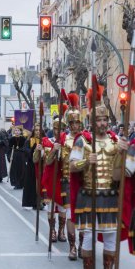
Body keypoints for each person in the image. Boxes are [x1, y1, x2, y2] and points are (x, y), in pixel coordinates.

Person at [69, 86, 128, 268]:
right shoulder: (83, 141)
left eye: (105, 120)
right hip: (89, 195)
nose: (102, 123)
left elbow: (120, 175)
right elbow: (72, 166)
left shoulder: (116, 142)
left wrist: (121, 154)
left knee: (111, 237)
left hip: (110, 196)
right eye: (99, 120)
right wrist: (86, 161)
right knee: (88, 235)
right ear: (92, 121)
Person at [40, 116, 68, 246]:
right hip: (50, 178)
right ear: (53, 128)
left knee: (63, 206)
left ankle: (61, 230)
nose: (58, 131)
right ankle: (52, 231)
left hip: (62, 178)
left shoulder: (68, 142)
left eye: (61, 128)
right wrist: (54, 149)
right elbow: (48, 161)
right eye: (56, 128)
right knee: (50, 206)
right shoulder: (47, 141)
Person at [22, 124, 43, 209]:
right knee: (33, 185)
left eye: (39, 130)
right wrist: (34, 148)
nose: (38, 132)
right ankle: (34, 202)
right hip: (32, 167)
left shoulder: (43, 140)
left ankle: (40, 201)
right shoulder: (29, 141)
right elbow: (26, 152)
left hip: (41, 166)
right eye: (36, 130)